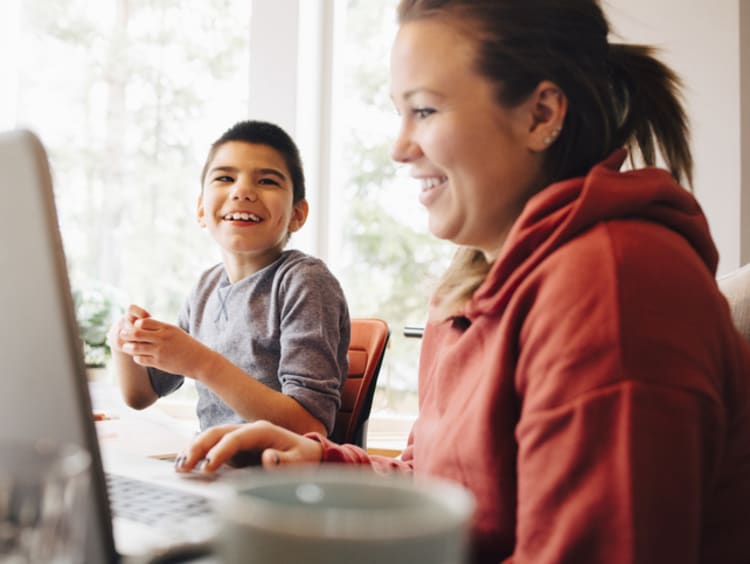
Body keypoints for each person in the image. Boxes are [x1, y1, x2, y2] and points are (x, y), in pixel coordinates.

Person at [176, 2, 750, 562]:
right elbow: (444, 488)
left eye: (424, 111)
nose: (399, 148)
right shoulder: (469, 287)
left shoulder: (615, 285)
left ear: (541, 115)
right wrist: (317, 461)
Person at [108, 120, 350, 437]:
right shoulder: (205, 288)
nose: (242, 191)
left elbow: (309, 427)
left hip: (272, 477)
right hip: (213, 466)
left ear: (297, 214)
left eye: (267, 181)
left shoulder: (304, 282)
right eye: (225, 177)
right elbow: (141, 396)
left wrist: (201, 363)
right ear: (200, 209)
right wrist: (124, 341)